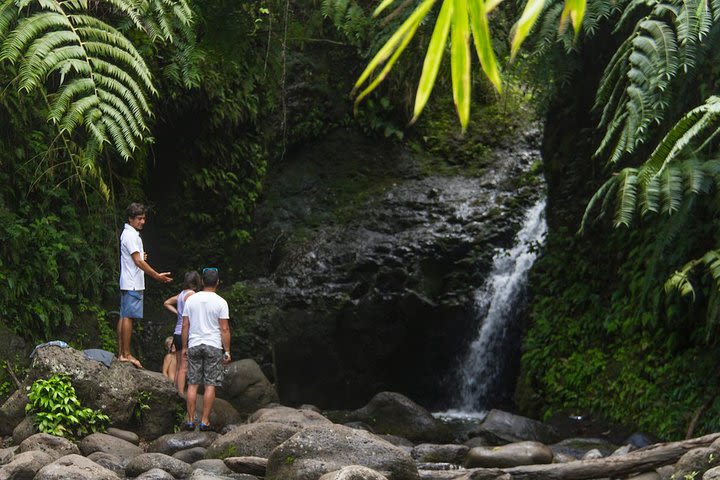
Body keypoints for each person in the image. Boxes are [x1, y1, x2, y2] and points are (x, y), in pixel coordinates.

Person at [119, 202, 173, 368]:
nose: (143, 221)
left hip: (128, 281)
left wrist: (142, 257)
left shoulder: (129, 234)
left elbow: (136, 258)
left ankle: (121, 353)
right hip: (133, 283)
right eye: (139, 218)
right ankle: (126, 354)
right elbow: (138, 262)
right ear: (131, 218)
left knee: (123, 316)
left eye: (144, 218)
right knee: (128, 317)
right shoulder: (131, 236)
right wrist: (156, 275)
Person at [182, 267, 231, 431]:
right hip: (213, 346)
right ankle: (204, 421)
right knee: (210, 385)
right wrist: (227, 351)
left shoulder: (191, 300)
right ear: (217, 282)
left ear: (202, 281)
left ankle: (190, 420)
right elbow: (224, 329)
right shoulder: (221, 302)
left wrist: (184, 347)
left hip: (194, 344)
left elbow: (185, 325)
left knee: (193, 384)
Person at [163, 270, 202, 395]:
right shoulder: (192, 295)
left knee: (180, 366)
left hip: (177, 333)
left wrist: (177, 313)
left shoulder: (180, 295)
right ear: (196, 283)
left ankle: (176, 391)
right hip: (187, 334)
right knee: (184, 368)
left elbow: (166, 303)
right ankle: (180, 393)